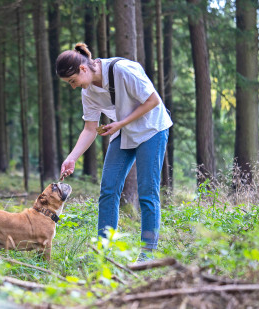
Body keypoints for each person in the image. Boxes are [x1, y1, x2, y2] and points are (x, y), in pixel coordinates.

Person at [56, 43, 172, 261]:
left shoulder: (122, 70)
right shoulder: (88, 91)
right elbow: (90, 129)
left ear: (83, 69)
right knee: (108, 189)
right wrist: (71, 158)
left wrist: (120, 123)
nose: (73, 86)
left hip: (151, 129)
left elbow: (153, 100)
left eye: (72, 81)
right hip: (124, 131)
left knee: (147, 192)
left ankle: (147, 254)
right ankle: (103, 251)